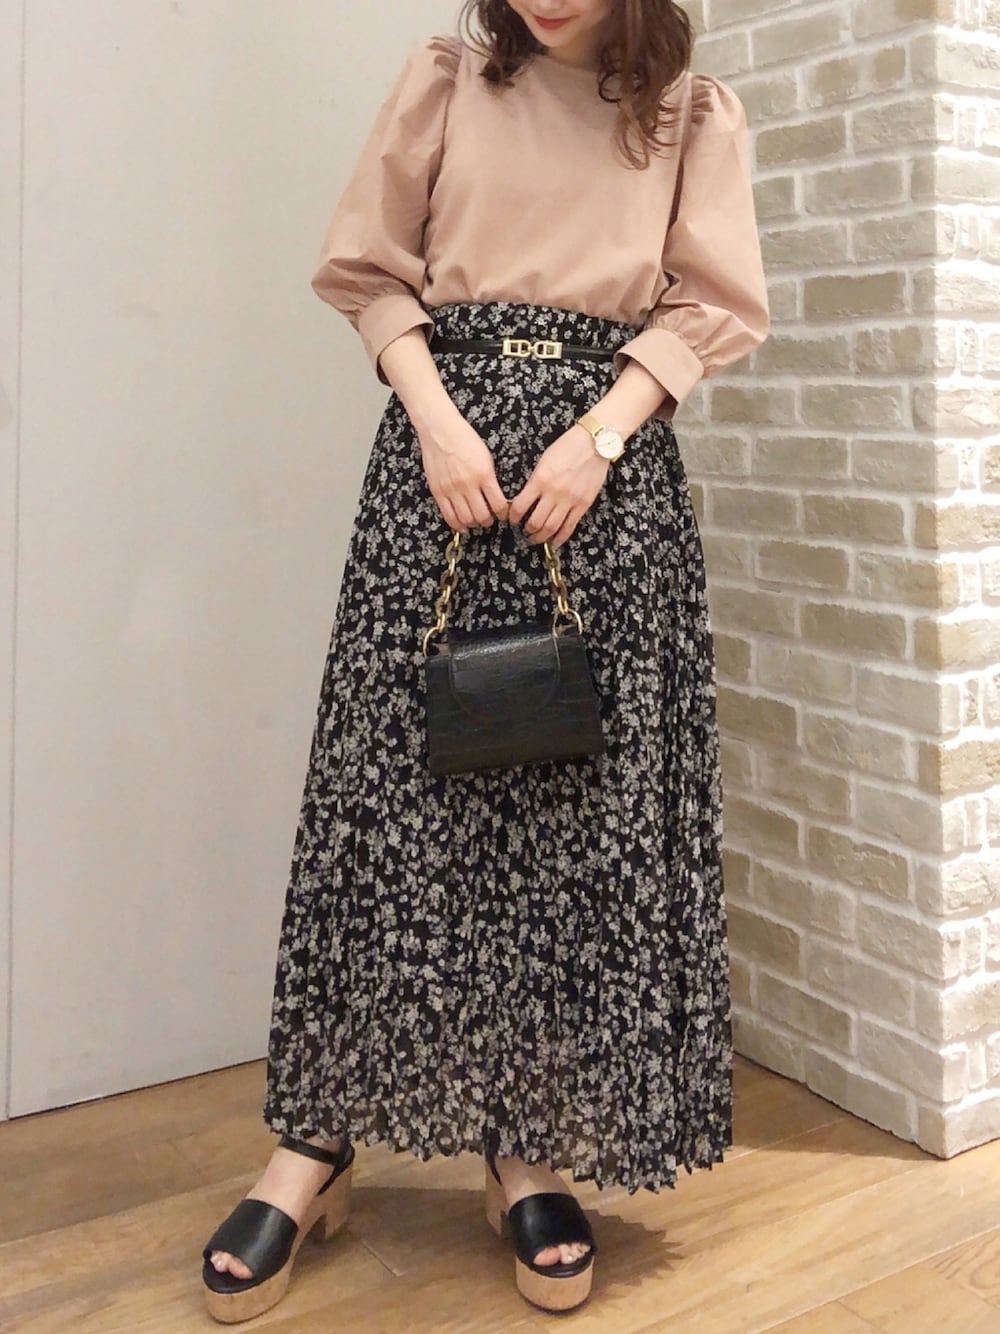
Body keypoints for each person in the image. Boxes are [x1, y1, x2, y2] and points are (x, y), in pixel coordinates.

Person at [201, 0, 770, 1322]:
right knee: (386, 801)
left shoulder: (689, 113)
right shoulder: (447, 79)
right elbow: (367, 270)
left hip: (603, 491)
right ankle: (315, 1137)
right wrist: (442, 426)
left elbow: (713, 305)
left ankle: (525, 1143)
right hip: (437, 471)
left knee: (565, 818)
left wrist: (600, 438)